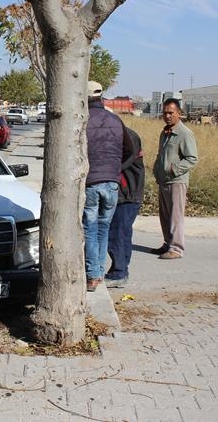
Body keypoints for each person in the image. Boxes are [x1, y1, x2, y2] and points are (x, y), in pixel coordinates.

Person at [83, 80, 124, 291]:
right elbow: (129, 150)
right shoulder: (116, 120)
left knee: (89, 228)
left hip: (91, 182)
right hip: (112, 183)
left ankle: (92, 275)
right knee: (103, 227)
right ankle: (98, 270)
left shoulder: (83, 121)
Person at [151, 98, 198, 259]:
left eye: (171, 113)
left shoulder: (184, 133)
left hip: (176, 181)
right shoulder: (165, 133)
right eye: (165, 113)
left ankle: (176, 248)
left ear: (179, 113)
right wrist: (158, 169)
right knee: (165, 214)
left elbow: (192, 158)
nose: (167, 116)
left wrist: (173, 169)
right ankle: (167, 243)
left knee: (175, 215)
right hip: (164, 180)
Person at [105, 125, 144, 287]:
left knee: (117, 233)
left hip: (127, 194)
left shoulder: (128, 140)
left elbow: (122, 163)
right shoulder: (126, 137)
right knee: (123, 233)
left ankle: (119, 272)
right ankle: (121, 270)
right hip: (128, 193)